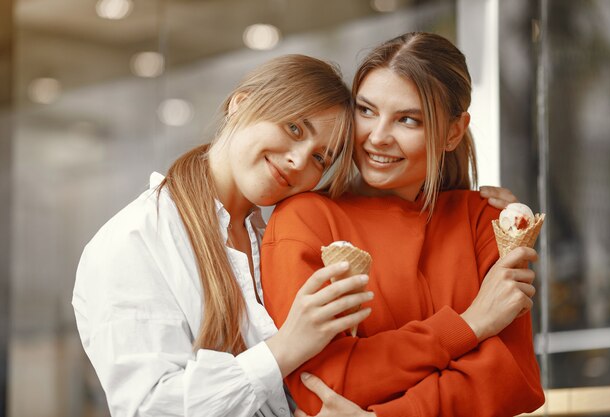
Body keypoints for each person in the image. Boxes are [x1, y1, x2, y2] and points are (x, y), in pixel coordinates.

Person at [72, 54, 376, 417]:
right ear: (241, 104)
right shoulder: (135, 239)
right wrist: (286, 346)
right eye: (294, 128)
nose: (298, 161)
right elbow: (151, 407)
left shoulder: (276, 241)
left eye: (320, 159)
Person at [260, 33, 545, 417]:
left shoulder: (485, 220)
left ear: (453, 132)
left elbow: (511, 379)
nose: (377, 137)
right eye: (366, 111)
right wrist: (470, 325)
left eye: (407, 119)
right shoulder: (305, 219)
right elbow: (326, 386)